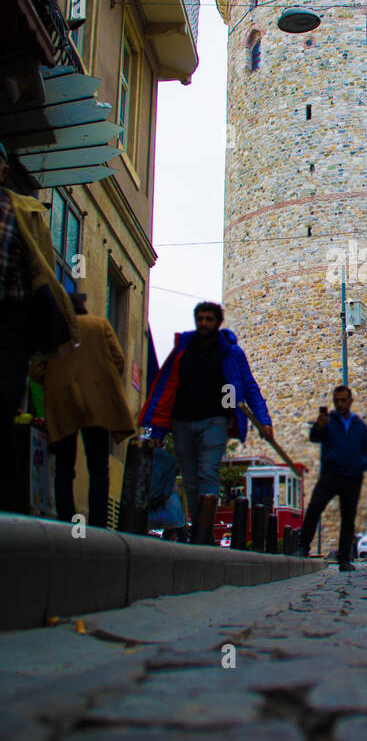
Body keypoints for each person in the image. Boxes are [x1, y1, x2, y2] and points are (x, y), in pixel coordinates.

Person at [140, 301, 273, 525]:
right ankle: (200, 528)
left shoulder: (230, 353)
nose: (203, 323)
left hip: (214, 421)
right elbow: (167, 389)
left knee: (207, 471)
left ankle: (204, 529)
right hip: (183, 421)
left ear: (218, 322)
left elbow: (250, 387)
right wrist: (159, 430)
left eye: (208, 319)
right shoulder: (183, 350)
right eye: (200, 318)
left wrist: (264, 420)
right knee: (191, 480)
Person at [0, 142, 78, 512]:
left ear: (4, 171)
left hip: (10, 319)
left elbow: (42, 268)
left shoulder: (24, 210)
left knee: (6, 398)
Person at [31, 292, 134, 527]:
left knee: (65, 466)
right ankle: (98, 523)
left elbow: (36, 370)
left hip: (62, 402)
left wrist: (56, 380)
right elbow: (118, 359)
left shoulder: (51, 331)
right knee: (98, 466)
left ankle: (66, 519)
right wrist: (100, 380)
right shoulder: (99, 325)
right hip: (96, 402)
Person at [298, 385, 367, 572]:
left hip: (352, 477)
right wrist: (318, 425)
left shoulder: (359, 426)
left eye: (343, 400)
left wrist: (361, 465)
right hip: (330, 474)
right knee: (315, 507)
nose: (340, 403)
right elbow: (315, 437)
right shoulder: (328, 421)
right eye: (337, 400)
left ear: (350, 401)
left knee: (348, 518)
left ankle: (344, 559)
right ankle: (302, 547)